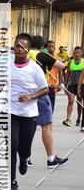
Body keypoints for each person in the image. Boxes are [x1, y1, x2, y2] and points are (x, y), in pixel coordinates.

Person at [10, 34, 49, 190]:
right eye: (17, 46)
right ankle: (12, 181)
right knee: (12, 145)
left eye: (23, 47)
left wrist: (30, 97)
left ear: (27, 50)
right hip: (10, 112)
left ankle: (25, 158)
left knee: (24, 147)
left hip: (28, 114)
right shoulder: (6, 66)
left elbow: (45, 88)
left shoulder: (34, 68)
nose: (19, 49)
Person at [29, 36, 68, 168]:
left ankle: (25, 157)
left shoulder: (24, 54)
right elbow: (61, 66)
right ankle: (51, 158)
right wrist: (58, 60)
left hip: (25, 93)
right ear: (42, 46)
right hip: (40, 92)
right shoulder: (42, 55)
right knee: (46, 124)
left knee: (28, 125)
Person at [63, 46, 84, 126]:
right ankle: (68, 119)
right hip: (71, 85)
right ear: (73, 53)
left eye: (79, 53)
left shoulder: (83, 62)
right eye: (75, 53)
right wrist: (65, 85)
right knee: (70, 101)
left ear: (81, 53)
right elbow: (67, 74)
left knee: (79, 103)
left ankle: (79, 119)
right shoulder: (70, 62)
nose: (77, 54)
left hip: (81, 85)